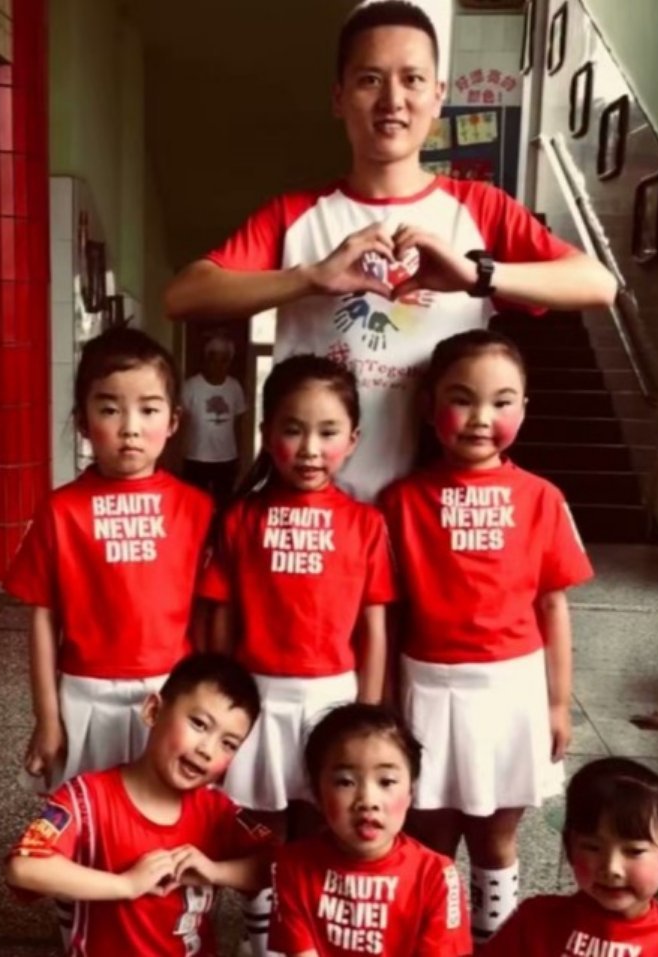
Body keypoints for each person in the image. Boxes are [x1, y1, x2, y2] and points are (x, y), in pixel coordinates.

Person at [164, 0, 616, 504]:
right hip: (317, 511)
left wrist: (477, 276)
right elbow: (183, 296)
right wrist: (310, 278)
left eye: (412, 79)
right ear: (338, 97)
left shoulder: (481, 208)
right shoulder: (295, 213)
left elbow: (598, 284)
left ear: (438, 95)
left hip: (435, 510)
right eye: (370, 80)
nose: (392, 100)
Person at [379, 329, 594, 944]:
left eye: (502, 402)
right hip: (426, 689)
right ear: (429, 407)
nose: (481, 418)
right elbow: (387, 614)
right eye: (462, 398)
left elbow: (553, 605)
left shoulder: (543, 499)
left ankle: (497, 943)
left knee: (496, 837)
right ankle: (434, 941)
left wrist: (557, 704)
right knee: (430, 837)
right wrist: (386, 700)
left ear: (525, 408)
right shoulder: (399, 502)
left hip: (512, 692)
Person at [198, 354, 396, 954]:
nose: (310, 448)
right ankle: (262, 937)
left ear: (353, 439)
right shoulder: (241, 518)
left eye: (328, 432)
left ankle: (307, 933)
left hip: (333, 699)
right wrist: (221, 706)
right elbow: (221, 619)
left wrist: (366, 716)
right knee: (263, 827)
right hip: (257, 699)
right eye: (293, 429)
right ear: (266, 433)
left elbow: (374, 627)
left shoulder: (365, 524)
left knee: (325, 824)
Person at [4, 327, 214, 793]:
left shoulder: (197, 509)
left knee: (165, 811)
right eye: (110, 409)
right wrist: (47, 718)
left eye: (148, 409)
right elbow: (42, 620)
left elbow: (206, 613)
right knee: (88, 812)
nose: (130, 427)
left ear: (174, 420)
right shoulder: (60, 511)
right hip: (85, 695)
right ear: (83, 421)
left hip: (174, 693)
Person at [6, 653, 276, 957]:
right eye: (199, 724)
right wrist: (126, 885)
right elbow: (24, 867)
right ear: (153, 711)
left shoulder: (218, 811)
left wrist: (216, 872)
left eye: (228, 744)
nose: (207, 750)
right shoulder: (87, 799)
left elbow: (278, 868)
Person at [269, 702, 472, 957]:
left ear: (410, 791)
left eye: (386, 781)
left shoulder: (438, 877)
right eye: (345, 782)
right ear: (317, 794)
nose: (367, 800)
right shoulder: (291, 866)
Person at [481, 758, 658, 957]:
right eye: (592, 847)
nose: (611, 868)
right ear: (570, 848)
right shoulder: (535, 921)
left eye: (634, 851)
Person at [181, 333, 247, 509]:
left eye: (223, 360)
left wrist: (241, 456)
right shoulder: (191, 386)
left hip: (227, 458)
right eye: (213, 359)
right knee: (195, 506)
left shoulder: (234, 387)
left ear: (229, 362)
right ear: (206, 360)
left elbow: (239, 425)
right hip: (196, 457)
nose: (218, 365)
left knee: (224, 506)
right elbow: (180, 424)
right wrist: (177, 457)